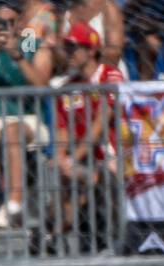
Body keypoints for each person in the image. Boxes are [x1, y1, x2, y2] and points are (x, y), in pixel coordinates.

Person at [0, 0, 53, 228]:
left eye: (9, 22)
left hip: (26, 119)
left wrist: (18, 56)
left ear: (19, 23)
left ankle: (13, 204)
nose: (4, 27)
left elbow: (42, 88)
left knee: (11, 131)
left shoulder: (31, 43)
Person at [52, 21, 122, 247]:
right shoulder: (68, 87)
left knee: (99, 174)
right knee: (62, 172)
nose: (68, 53)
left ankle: (55, 232)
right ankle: (55, 232)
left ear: (91, 50)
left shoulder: (110, 75)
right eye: (67, 47)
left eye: (74, 47)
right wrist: (61, 156)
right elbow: (62, 129)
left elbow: (102, 121)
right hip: (88, 159)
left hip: (117, 154)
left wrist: (73, 158)